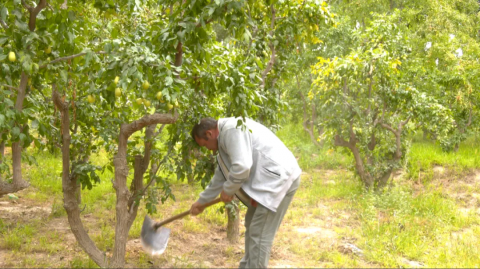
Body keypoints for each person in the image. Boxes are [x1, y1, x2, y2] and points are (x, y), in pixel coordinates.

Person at [189, 117, 301, 268]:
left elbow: (242, 166)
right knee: (251, 224)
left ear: (209, 134)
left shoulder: (231, 130)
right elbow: (221, 175)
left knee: (259, 234)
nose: (208, 149)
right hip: (267, 181)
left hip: (278, 180)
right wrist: (201, 202)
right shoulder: (224, 138)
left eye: (205, 144)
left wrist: (229, 190)